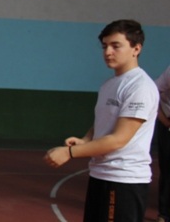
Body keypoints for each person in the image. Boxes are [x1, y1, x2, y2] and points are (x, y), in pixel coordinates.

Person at [44, 19, 158, 221]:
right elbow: (103, 120)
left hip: (124, 181)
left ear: (136, 49)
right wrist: (87, 140)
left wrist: (70, 152)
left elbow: (118, 139)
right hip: (101, 175)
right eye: (105, 46)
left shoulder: (139, 87)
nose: (108, 52)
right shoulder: (110, 84)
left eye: (116, 46)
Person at [155, 65, 170, 222]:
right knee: (168, 171)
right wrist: (166, 123)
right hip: (168, 123)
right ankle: (164, 214)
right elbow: (153, 93)